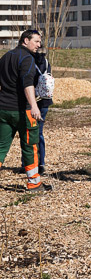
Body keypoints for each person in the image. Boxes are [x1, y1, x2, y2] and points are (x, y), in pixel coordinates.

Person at [0, 29, 51, 193]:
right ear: (25, 40)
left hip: (3, 110)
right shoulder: (27, 59)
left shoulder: (6, 57)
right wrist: (34, 106)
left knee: (1, 147)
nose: (39, 45)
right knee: (30, 146)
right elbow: (27, 84)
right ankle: (34, 183)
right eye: (36, 41)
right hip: (23, 110)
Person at [34, 48, 53, 175]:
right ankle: (41, 163)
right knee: (39, 133)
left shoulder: (29, 63)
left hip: (33, 101)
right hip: (45, 101)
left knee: (28, 133)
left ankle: (27, 163)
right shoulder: (46, 63)